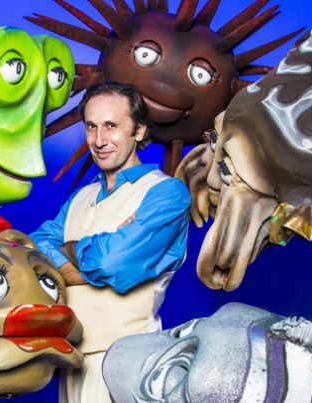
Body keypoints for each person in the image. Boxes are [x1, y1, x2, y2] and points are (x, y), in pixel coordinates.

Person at [30, 82, 191, 402]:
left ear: (139, 131)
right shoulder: (82, 195)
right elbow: (35, 247)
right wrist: (97, 252)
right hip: (71, 360)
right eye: (91, 126)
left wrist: (69, 249)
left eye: (111, 126)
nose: (99, 140)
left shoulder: (167, 193)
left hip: (129, 365)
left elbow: (113, 264)